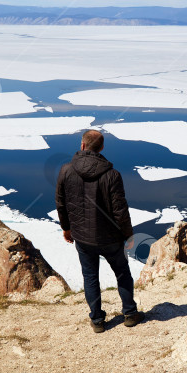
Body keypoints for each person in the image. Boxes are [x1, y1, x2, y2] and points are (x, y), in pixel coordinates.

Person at [55, 129, 145, 333]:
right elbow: (120, 211)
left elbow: (61, 203)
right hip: (110, 238)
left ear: (82, 145)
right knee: (122, 273)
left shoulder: (66, 170)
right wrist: (128, 235)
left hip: (82, 238)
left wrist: (67, 228)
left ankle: (97, 320)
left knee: (90, 277)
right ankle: (130, 314)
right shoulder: (112, 175)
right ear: (102, 147)